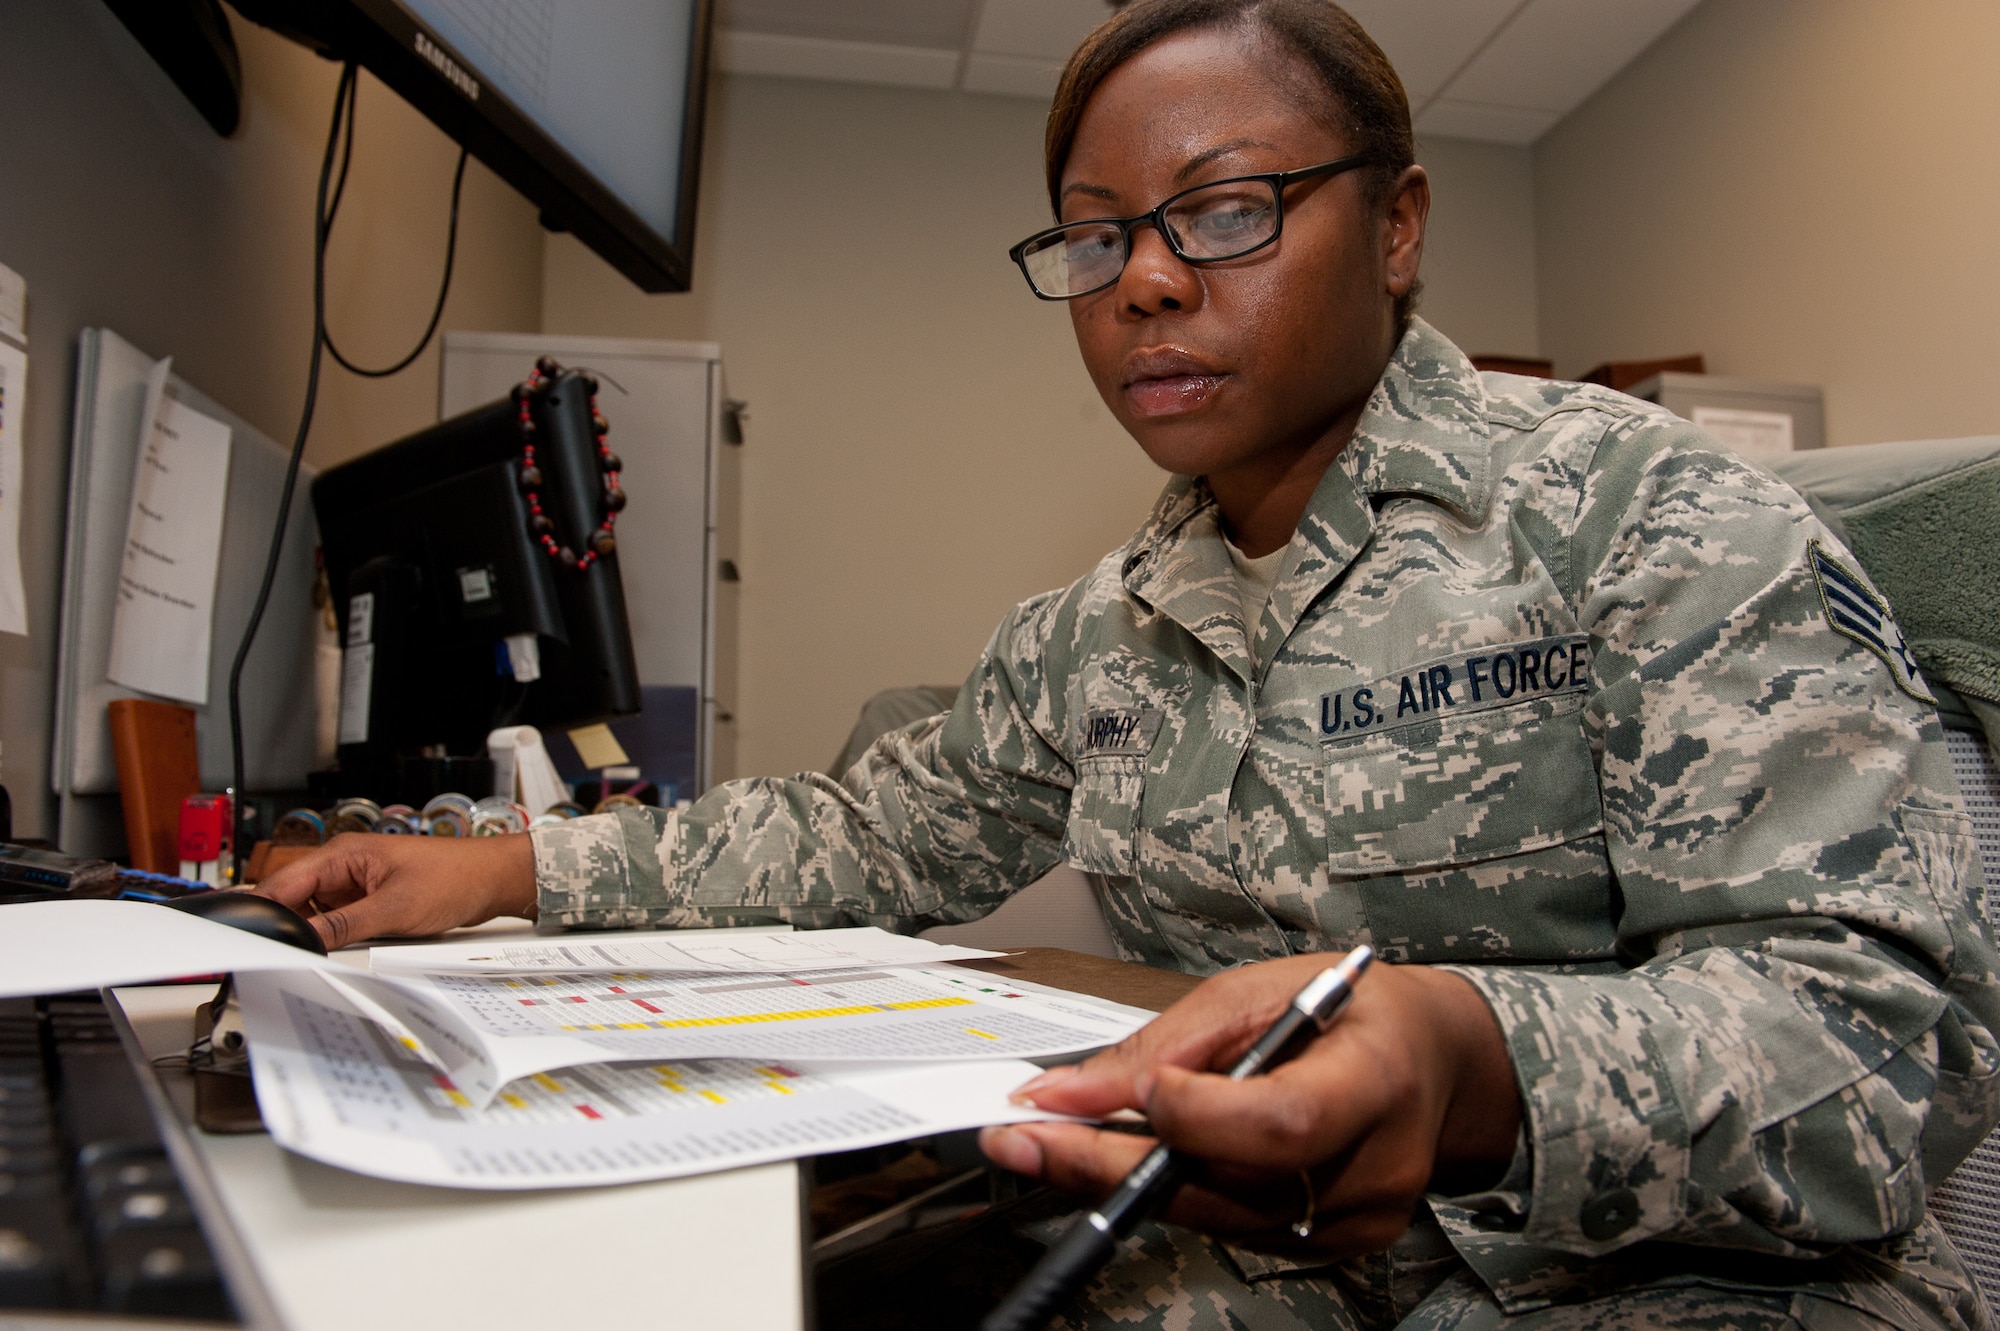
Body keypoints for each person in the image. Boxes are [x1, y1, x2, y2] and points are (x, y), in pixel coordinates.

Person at [260, 1, 2000, 1326]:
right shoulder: (1104, 624)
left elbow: (1877, 1061)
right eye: (1097, 238)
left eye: (1225, 213)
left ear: (1395, 230)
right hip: (1244, 1254)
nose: (1146, 284)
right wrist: (498, 870)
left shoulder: (1644, 516)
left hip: (1660, 1281)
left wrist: (1472, 1066)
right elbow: (869, 837)